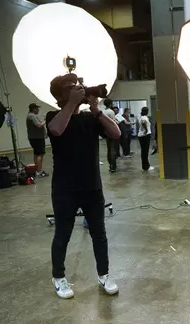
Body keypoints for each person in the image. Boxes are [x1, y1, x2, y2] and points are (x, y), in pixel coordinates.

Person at [46, 73, 121, 299]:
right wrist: (70, 105)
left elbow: (116, 133)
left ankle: (104, 275)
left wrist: (97, 110)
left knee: (99, 234)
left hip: (92, 187)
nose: (77, 89)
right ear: (60, 95)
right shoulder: (54, 115)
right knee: (63, 235)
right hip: (65, 189)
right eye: (70, 87)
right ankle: (59, 277)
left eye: (78, 86)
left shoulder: (90, 118)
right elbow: (56, 130)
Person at [26, 103, 49, 177]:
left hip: (34, 138)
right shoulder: (32, 116)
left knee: (36, 154)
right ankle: (39, 171)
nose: (38, 109)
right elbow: (39, 125)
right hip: (37, 138)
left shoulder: (30, 115)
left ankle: (36, 170)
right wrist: (46, 120)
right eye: (37, 108)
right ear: (33, 109)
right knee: (40, 154)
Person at [103, 99, 119, 172]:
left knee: (109, 149)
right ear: (110, 104)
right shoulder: (111, 111)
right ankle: (113, 166)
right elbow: (113, 122)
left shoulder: (103, 111)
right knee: (113, 149)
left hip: (105, 132)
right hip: (111, 131)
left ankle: (110, 165)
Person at [138, 107, 155, 171]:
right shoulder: (144, 118)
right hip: (145, 135)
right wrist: (146, 130)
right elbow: (143, 122)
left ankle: (145, 166)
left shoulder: (141, 116)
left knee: (144, 151)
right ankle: (146, 166)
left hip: (141, 136)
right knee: (145, 152)